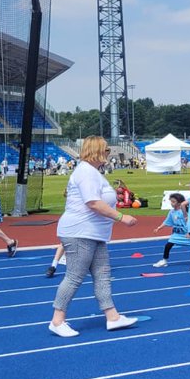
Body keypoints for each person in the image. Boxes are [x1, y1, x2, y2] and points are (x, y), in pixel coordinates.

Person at [47, 135, 138, 337]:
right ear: (96, 151)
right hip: (80, 232)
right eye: (106, 150)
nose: (108, 153)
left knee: (103, 275)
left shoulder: (93, 172)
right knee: (74, 277)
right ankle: (57, 320)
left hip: (94, 233)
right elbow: (93, 202)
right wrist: (121, 217)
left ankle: (112, 316)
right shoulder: (86, 172)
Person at [153, 192, 190, 268]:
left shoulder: (184, 212)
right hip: (177, 234)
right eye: (171, 201)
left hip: (187, 234)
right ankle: (164, 260)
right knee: (168, 245)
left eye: (173, 202)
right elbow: (167, 221)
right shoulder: (171, 212)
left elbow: (189, 222)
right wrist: (159, 228)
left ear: (179, 203)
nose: (171, 203)